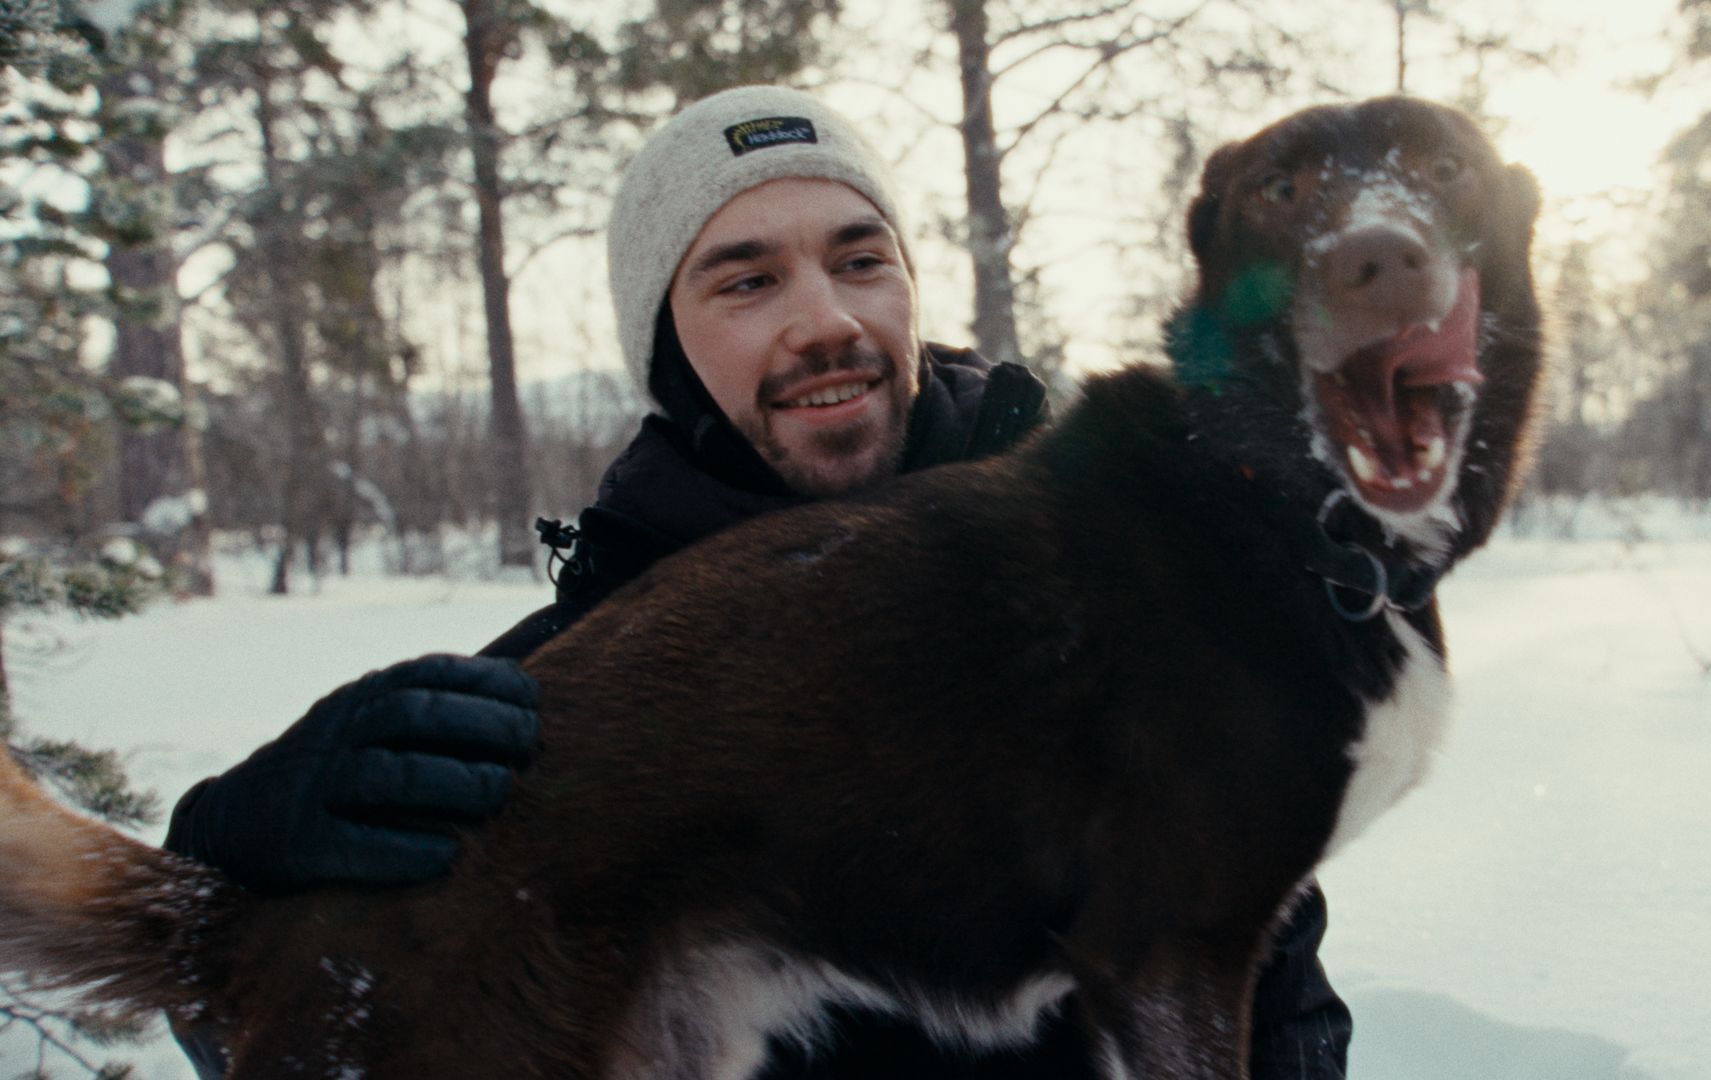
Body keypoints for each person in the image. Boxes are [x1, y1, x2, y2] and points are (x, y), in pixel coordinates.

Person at [162, 85, 1352, 1079]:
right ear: (669, 352)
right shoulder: (549, 708)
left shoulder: (1140, 619)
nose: (826, 320)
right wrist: (238, 864)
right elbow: (312, 1034)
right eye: (746, 281)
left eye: (860, 259)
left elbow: (1275, 1000)